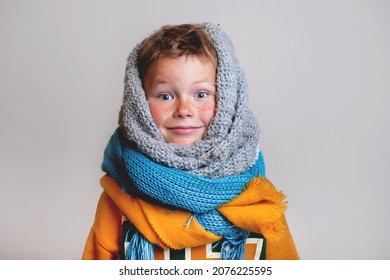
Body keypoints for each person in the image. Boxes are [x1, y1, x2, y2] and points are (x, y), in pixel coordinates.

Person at [82, 23, 299, 260]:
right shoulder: (119, 200)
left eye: (201, 95)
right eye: (165, 96)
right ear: (140, 103)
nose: (184, 110)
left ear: (227, 99)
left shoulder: (255, 199)